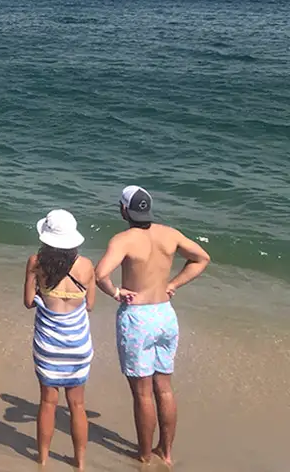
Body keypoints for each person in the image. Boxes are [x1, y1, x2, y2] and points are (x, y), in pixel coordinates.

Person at [95, 186, 210, 466]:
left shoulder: (123, 240)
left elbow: (100, 275)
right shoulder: (170, 234)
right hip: (165, 315)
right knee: (165, 387)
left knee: (142, 392)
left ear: (124, 210)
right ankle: (166, 452)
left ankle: (145, 455)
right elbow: (202, 258)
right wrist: (173, 284)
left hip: (138, 318)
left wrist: (115, 292)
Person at [25, 209, 96, 469]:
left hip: (48, 344)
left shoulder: (36, 262)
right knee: (77, 404)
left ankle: (42, 459)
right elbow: (89, 305)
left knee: (47, 402)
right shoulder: (87, 265)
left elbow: (27, 302)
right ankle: (80, 462)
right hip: (77, 343)